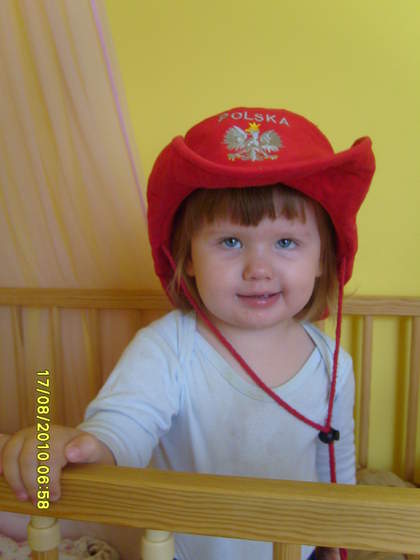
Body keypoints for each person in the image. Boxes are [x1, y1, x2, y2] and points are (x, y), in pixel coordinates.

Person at [0, 107, 375, 560]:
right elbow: (125, 424)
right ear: (190, 258)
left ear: (322, 260)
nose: (258, 269)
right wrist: (83, 446)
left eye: (286, 242)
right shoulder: (168, 347)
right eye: (230, 241)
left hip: (294, 550)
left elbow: (336, 463)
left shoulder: (333, 363)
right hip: (181, 550)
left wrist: (336, 543)